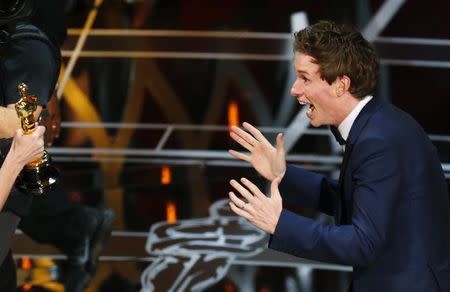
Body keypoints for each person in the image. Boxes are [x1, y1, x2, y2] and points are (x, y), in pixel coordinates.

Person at [227, 20, 450, 292]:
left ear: (340, 85)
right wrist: (282, 175)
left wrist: (280, 223)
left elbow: (362, 243)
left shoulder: (378, 140)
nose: (295, 89)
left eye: (305, 78)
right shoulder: (379, 124)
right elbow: (354, 201)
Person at [0, 1, 114, 291]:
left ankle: (78, 227)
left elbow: (20, 118)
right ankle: (79, 227)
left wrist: (46, 96)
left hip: (11, 151)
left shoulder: (28, 42)